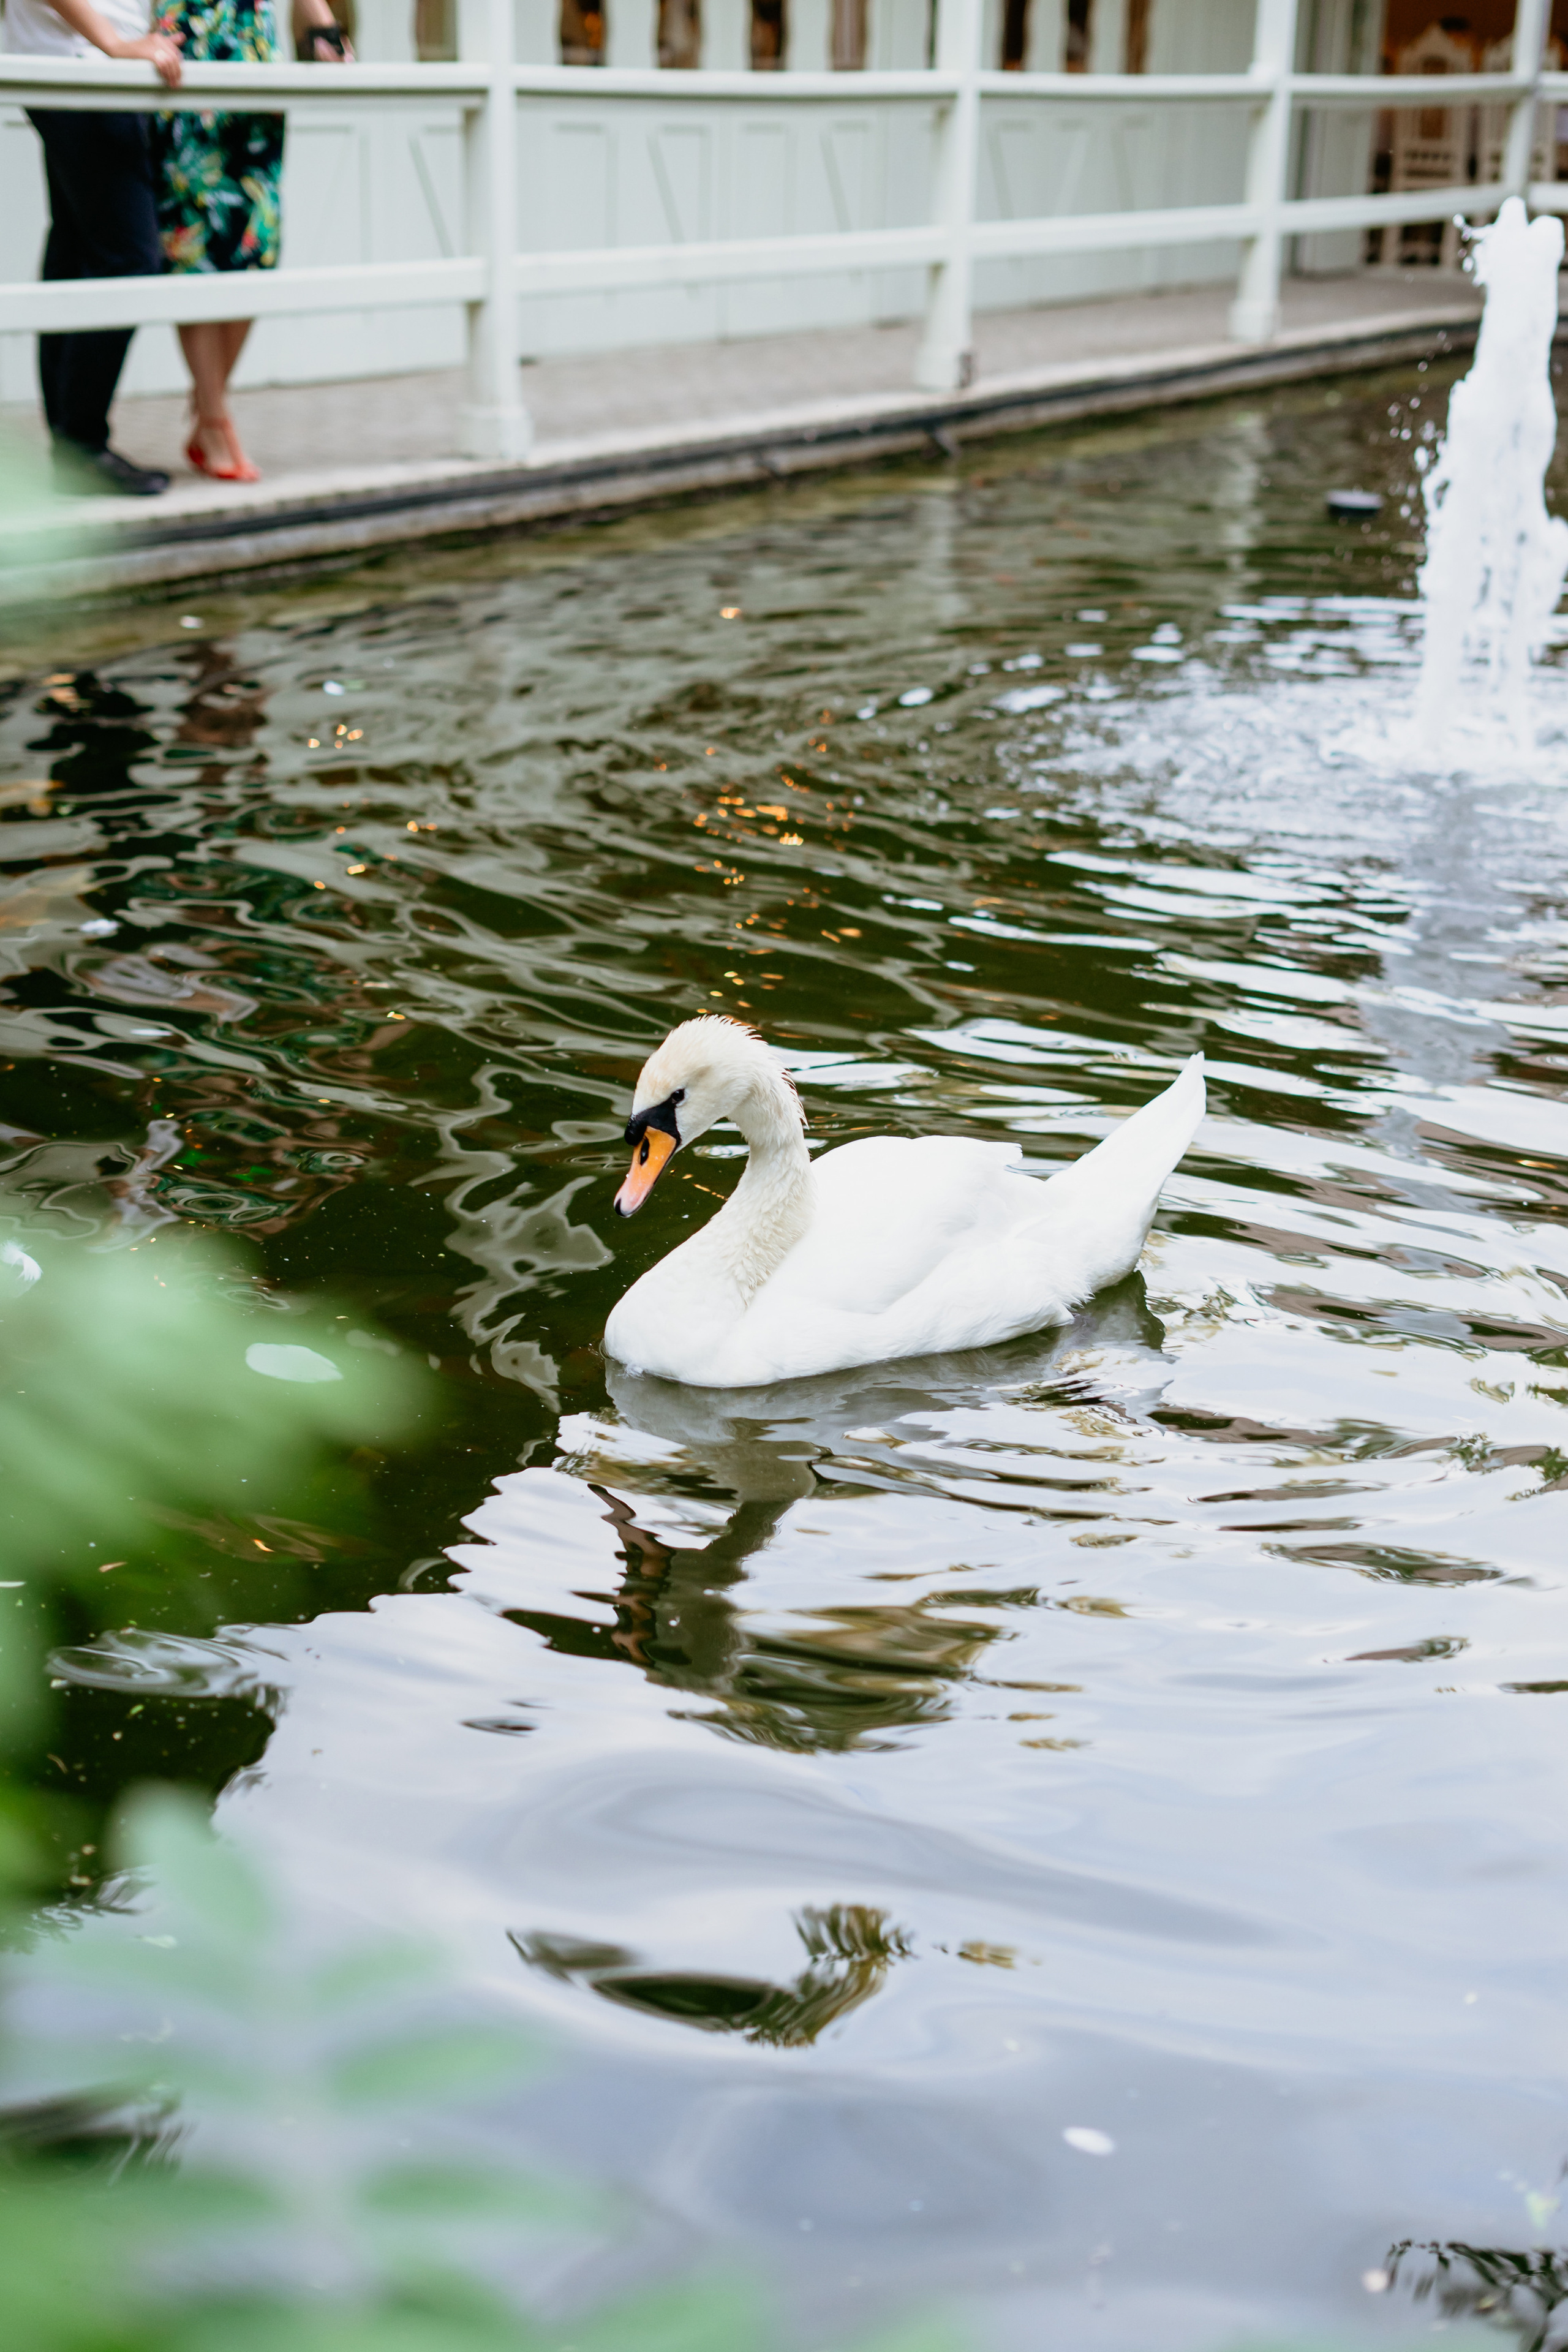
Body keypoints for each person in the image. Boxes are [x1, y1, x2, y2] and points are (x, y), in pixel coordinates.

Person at [150, 0, 352, 482]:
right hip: (190, 48)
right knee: (195, 246)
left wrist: (324, 28)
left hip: (255, 53)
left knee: (255, 243)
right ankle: (216, 421)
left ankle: (207, 402)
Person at [4, 0, 183, 496]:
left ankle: (71, 447)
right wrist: (116, 44)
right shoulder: (97, 55)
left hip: (78, 67)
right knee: (128, 260)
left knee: (76, 250)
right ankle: (81, 444)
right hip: (86, 69)